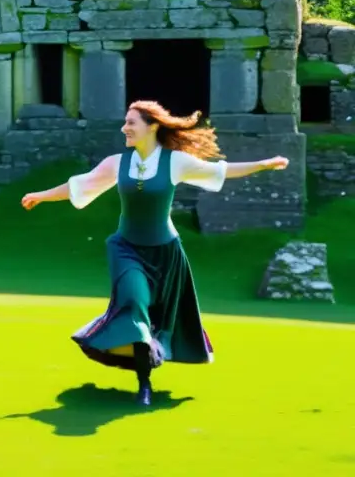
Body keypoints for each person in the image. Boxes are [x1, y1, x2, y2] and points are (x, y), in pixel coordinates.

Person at [20, 100, 289, 406]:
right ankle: (144, 385)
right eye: (125, 122)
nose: (125, 128)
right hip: (126, 249)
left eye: (131, 122)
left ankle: (147, 370)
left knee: (156, 321)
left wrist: (265, 164)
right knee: (134, 304)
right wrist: (40, 196)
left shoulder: (175, 162)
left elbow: (221, 172)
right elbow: (78, 186)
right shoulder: (116, 163)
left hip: (166, 253)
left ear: (152, 126)